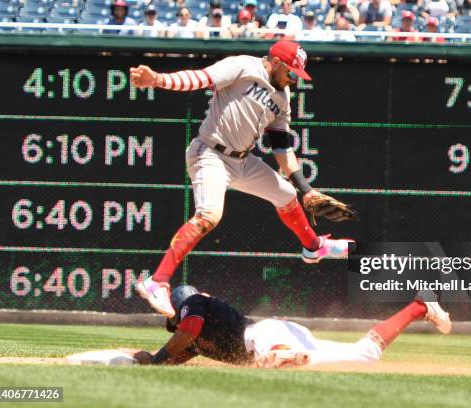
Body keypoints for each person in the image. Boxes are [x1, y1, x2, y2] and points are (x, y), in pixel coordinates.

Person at [130, 41, 354, 317]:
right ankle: (156, 282)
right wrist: (158, 80)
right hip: (210, 153)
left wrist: (306, 189)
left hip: (242, 161)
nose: (294, 79)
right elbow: (199, 78)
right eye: (292, 73)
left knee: (286, 194)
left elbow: (282, 148)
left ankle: (314, 247)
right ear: (277, 62)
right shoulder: (242, 66)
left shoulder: (282, 99)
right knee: (210, 216)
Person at [131, 285, 452, 367]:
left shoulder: (193, 302)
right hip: (279, 336)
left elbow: (187, 332)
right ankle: (420, 305)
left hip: (264, 335)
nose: (174, 328)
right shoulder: (193, 342)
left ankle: (281, 355)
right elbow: (178, 352)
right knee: (366, 355)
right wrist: (143, 359)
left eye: (172, 322)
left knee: (267, 355)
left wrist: (158, 357)